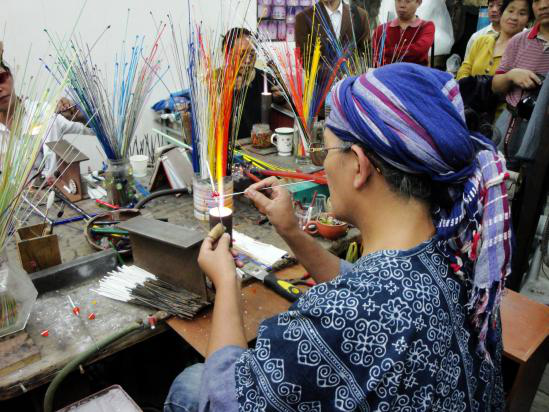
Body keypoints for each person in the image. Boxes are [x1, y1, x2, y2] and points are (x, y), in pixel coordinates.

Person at [165, 63, 509, 411]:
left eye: (326, 151)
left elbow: (224, 401)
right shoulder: (461, 255)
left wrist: (226, 282)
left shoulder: (350, 314)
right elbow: (365, 281)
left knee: (189, 385)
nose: (323, 166)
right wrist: (291, 231)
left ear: (358, 165)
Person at [0, 51, 93, 180]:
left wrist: (81, 116)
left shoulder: (44, 114)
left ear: (11, 76)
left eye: (1, 79)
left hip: (54, 191)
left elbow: (95, 130)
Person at [492, 0, 549, 160]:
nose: (542, 5)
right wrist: (511, 75)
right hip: (511, 124)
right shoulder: (519, 40)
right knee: (500, 168)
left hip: (543, 134)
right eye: (536, 0)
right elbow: (496, 86)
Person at [220, 28, 282, 140]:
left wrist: (281, 97)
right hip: (224, 147)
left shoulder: (265, 79)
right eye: (242, 54)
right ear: (227, 54)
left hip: (258, 145)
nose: (248, 60)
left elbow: (283, 103)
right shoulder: (215, 82)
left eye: (252, 54)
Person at [457, 0, 531, 80]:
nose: (514, 17)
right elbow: (464, 70)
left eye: (522, 13)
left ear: (529, 19)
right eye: (510, 11)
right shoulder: (480, 40)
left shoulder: (529, 48)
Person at [295, 0, 370, 61]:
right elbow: (305, 58)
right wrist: (334, 73)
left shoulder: (360, 15)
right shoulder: (303, 18)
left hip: (354, 75)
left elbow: (367, 53)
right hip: (320, 75)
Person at [372, 0, 435, 66]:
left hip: (414, 72)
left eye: (407, 1)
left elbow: (419, 49)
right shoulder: (380, 30)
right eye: (398, 1)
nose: (402, 5)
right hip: (384, 72)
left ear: (419, 2)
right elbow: (375, 59)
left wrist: (386, 53)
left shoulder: (426, 27)